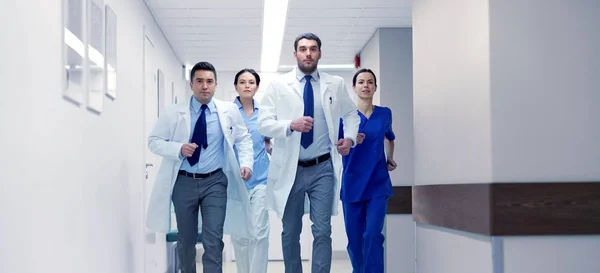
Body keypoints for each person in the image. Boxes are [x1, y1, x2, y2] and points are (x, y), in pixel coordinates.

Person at [257, 32, 360, 273]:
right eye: (303, 49)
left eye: (313, 49)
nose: (308, 53)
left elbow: (352, 114)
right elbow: (263, 123)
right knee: (290, 230)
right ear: (295, 54)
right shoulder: (279, 85)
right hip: (290, 168)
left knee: (322, 229)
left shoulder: (335, 83)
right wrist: (289, 125)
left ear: (320, 53)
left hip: (322, 167)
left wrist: (351, 139)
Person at [146, 61, 256, 273]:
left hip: (215, 182)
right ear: (191, 85)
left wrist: (246, 164)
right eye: (199, 81)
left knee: (213, 239)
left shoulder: (228, 111)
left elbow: (243, 138)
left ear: (216, 84)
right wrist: (179, 149)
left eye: (209, 81)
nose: (205, 86)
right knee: (186, 240)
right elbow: (154, 141)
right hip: (184, 182)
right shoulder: (173, 112)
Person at [337, 68, 397, 273]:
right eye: (361, 82)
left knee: (372, 234)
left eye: (370, 82)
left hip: (377, 183)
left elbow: (390, 137)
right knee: (355, 241)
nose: (365, 85)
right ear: (354, 87)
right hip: (352, 183)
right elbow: (336, 146)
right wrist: (350, 142)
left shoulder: (384, 113)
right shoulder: (344, 116)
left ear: (375, 87)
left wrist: (390, 158)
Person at [230, 68, 271, 273]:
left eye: (251, 82)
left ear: (256, 86)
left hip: (261, 178)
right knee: (240, 234)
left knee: (260, 232)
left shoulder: (264, 113)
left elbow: (269, 138)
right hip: (235, 181)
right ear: (236, 86)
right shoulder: (228, 112)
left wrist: (269, 143)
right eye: (243, 82)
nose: (247, 85)